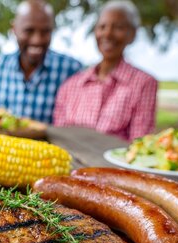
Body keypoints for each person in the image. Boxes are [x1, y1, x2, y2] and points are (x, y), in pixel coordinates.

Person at [0, 0, 83, 124]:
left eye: (45, 32)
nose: (37, 40)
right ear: (14, 29)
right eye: (29, 31)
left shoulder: (71, 71)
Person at [53, 0, 157, 141]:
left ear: (132, 34)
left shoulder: (144, 84)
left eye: (118, 27)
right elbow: (60, 138)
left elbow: (139, 144)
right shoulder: (70, 86)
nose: (107, 34)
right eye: (102, 27)